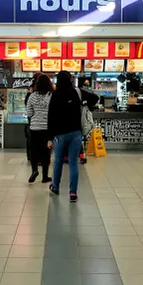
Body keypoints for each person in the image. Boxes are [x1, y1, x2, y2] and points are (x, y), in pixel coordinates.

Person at [47, 71, 98, 202]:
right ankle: (73, 193)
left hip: (60, 134)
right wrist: (85, 104)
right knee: (73, 163)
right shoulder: (77, 92)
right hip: (76, 133)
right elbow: (95, 98)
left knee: (58, 161)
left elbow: (51, 117)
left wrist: (49, 137)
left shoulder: (55, 94)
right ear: (70, 79)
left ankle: (56, 186)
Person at [26, 74, 53, 183]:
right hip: (47, 129)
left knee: (34, 151)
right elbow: (54, 112)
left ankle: (34, 170)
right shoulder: (51, 95)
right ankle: (45, 176)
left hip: (34, 128)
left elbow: (29, 112)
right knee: (46, 153)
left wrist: (36, 116)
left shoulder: (32, 96)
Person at [25, 72, 41, 161]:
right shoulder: (47, 93)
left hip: (32, 122)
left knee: (32, 140)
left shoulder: (31, 91)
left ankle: (31, 157)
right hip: (43, 122)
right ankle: (41, 158)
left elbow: (28, 108)